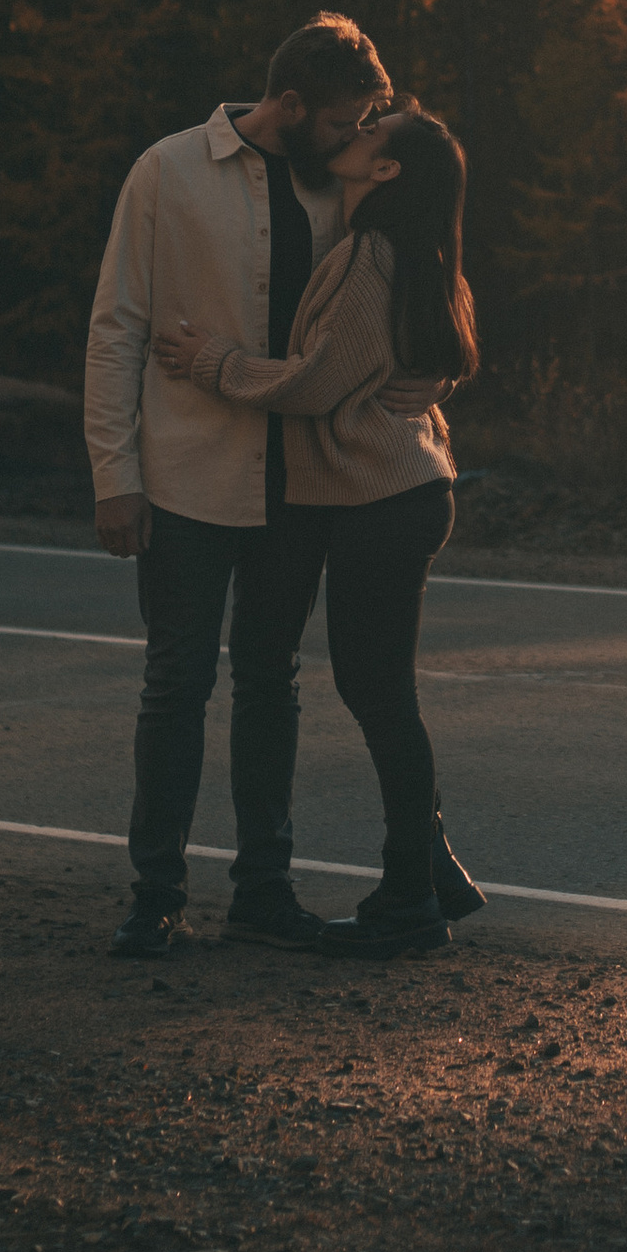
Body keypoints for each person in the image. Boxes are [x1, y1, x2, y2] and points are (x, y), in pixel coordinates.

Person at [84, 13, 417, 962]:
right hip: (185, 475)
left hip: (300, 482)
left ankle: (263, 891)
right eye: (349, 119)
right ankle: (156, 893)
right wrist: (116, 475)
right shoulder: (168, 171)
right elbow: (119, 327)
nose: (360, 137)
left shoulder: (341, 195)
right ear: (293, 104)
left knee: (271, 684)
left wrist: (424, 377)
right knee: (175, 684)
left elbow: (393, 298)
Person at [150, 103, 481, 959]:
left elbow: (316, 382)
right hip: (398, 492)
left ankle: (411, 896)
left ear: (386, 172)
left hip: (383, 500)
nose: (352, 137)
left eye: (370, 137)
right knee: (379, 692)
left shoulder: (372, 256)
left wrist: (212, 362)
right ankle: (431, 868)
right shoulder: (408, 245)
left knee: (379, 695)